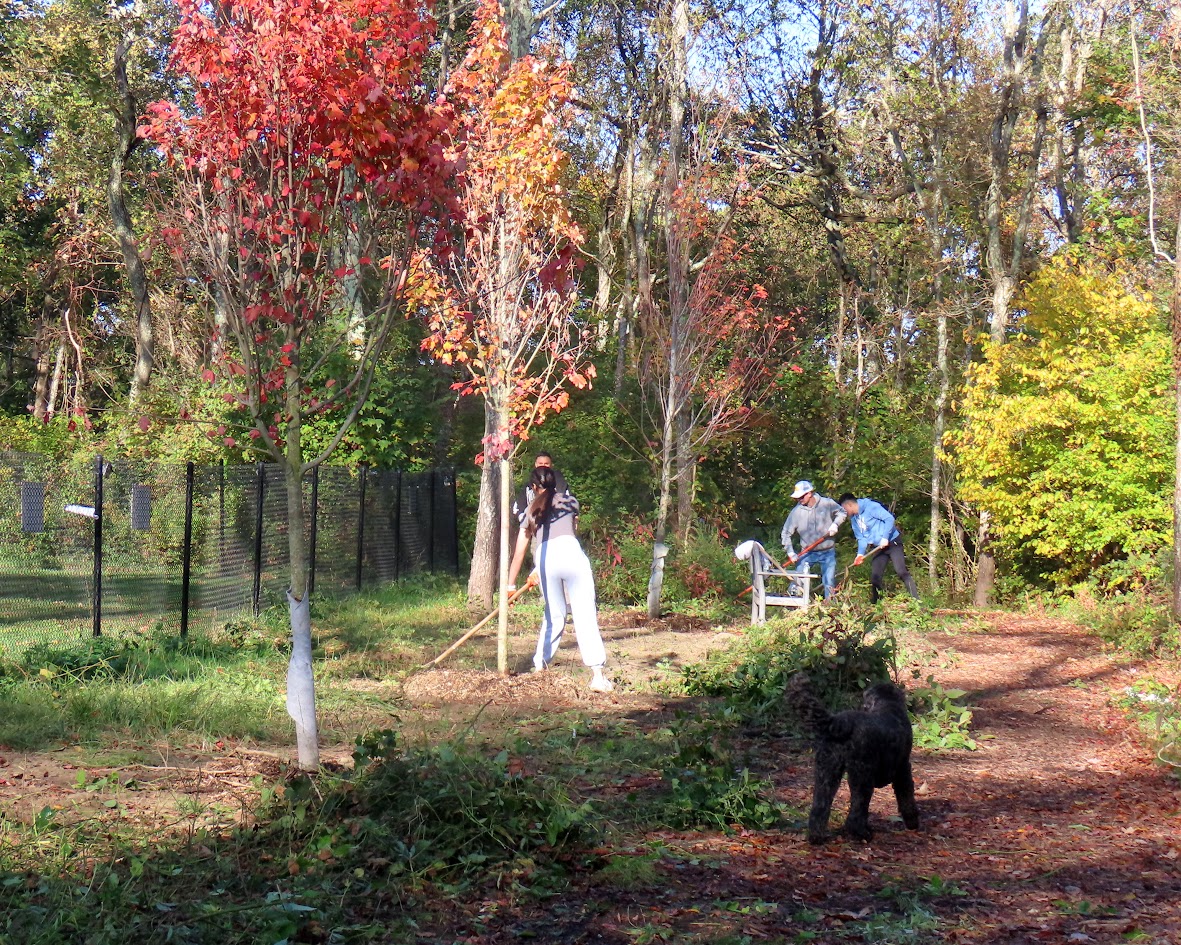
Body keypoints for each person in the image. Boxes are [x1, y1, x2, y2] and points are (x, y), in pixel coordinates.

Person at [508, 465, 614, 692]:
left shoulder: (529, 512)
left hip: (546, 559)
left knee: (554, 615)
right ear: (556, 484)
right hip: (572, 554)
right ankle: (597, 675)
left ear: (534, 487)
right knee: (584, 613)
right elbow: (570, 531)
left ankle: (539, 669)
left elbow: (519, 551)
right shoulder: (571, 503)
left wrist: (510, 585)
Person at [838, 493, 920, 604]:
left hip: (892, 542)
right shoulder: (854, 519)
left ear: (849, 505)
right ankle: (876, 606)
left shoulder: (871, 507)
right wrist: (860, 554)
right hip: (878, 547)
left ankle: (917, 602)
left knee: (901, 571)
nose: (844, 512)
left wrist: (885, 537)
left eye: (844, 509)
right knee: (875, 576)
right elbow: (861, 538)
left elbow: (889, 519)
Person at [781, 480, 847, 599]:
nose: (799, 500)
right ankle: (794, 607)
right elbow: (786, 533)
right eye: (797, 498)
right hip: (807, 552)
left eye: (801, 497)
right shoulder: (796, 512)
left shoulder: (827, 504)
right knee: (798, 580)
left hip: (827, 551)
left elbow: (842, 512)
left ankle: (830, 608)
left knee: (829, 582)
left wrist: (835, 524)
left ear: (809, 493)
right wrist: (790, 551)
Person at [512, 451, 569, 524]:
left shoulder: (560, 483)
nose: (543, 466)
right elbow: (518, 508)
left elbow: (568, 505)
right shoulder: (528, 485)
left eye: (546, 464)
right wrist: (527, 522)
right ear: (536, 464)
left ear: (551, 465)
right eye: (540, 463)